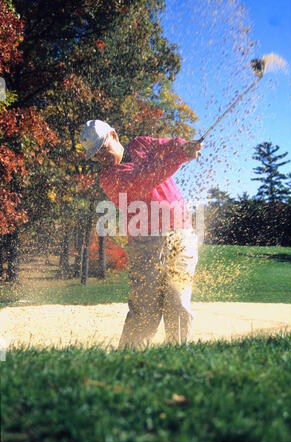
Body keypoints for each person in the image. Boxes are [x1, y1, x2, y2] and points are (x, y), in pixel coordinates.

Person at [79, 120, 203, 349]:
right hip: (145, 243)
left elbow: (170, 145)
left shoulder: (141, 144)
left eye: (102, 149)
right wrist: (180, 156)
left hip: (181, 235)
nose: (101, 157)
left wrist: (185, 146)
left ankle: (178, 358)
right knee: (145, 309)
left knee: (178, 302)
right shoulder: (108, 178)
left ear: (114, 136)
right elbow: (144, 180)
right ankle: (128, 360)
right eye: (95, 155)